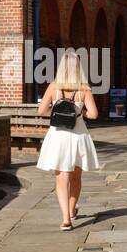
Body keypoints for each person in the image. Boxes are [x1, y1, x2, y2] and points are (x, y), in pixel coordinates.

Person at [36, 51, 100, 230]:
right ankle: (72, 210)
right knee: (76, 177)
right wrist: (79, 113)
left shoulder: (54, 87)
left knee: (61, 178)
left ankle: (66, 219)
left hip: (58, 136)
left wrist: (57, 114)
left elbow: (41, 111)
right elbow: (94, 114)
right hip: (78, 135)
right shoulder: (84, 89)